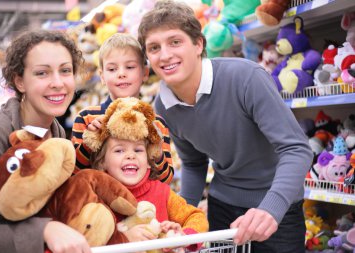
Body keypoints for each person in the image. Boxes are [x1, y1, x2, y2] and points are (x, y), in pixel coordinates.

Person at [137, 1, 314, 252]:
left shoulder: (245, 78)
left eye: (175, 42)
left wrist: (270, 210)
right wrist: (181, 216)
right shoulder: (164, 106)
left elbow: (297, 149)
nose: (165, 55)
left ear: (199, 44)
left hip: (276, 210)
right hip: (222, 208)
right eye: (154, 48)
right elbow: (193, 162)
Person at [0, 30, 91, 253]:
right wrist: (45, 230)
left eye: (65, 71)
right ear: (20, 82)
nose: (58, 83)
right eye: (42, 73)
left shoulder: (57, 134)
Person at [83, 97, 209, 252]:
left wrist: (181, 235)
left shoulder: (162, 193)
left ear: (149, 160)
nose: (131, 156)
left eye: (138, 150)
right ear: (102, 162)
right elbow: (86, 239)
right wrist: (123, 238)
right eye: (119, 150)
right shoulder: (97, 199)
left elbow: (196, 217)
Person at [71, 33, 174, 184]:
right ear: (102, 77)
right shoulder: (87, 118)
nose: (121, 74)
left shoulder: (156, 124)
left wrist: (157, 153)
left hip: (144, 205)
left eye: (130, 67)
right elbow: (74, 174)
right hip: (99, 203)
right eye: (112, 69)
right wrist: (88, 144)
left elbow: (165, 180)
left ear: (144, 73)